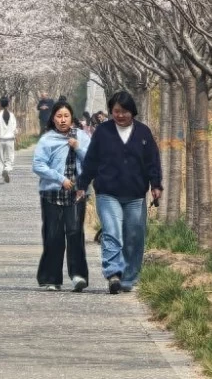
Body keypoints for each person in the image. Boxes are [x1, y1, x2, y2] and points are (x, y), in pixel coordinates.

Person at [77, 91, 162, 294]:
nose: (120, 115)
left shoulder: (143, 132)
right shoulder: (103, 132)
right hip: (108, 192)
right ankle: (113, 273)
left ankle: (129, 277)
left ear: (132, 111)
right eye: (116, 111)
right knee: (112, 232)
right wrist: (82, 184)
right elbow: (91, 160)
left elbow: (152, 161)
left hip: (135, 194)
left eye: (124, 111)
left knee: (134, 236)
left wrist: (156, 184)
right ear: (111, 111)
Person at [31, 101, 91, 291]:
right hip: (52, 192)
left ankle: (78, 275)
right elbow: (38, 165)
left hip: (77, 192)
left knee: (75, 232)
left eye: (66, 116)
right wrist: (60, 179)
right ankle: (51, 278)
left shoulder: (82, 137)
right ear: (53, 119)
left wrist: (78, 147)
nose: (63, 120)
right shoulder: (47, 139)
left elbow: (92, 162)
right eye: (59, 116)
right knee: (53, 234)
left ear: (72, 117)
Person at [0, 96, 18, 184]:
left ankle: (1, 178)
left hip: (0, 139)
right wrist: (16, 136)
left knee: (0, 159)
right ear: (8, 104)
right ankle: (7, 169)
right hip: (10, 139)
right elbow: (15, 129)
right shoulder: (12, 115)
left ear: (0, 104)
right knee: (10, 157)